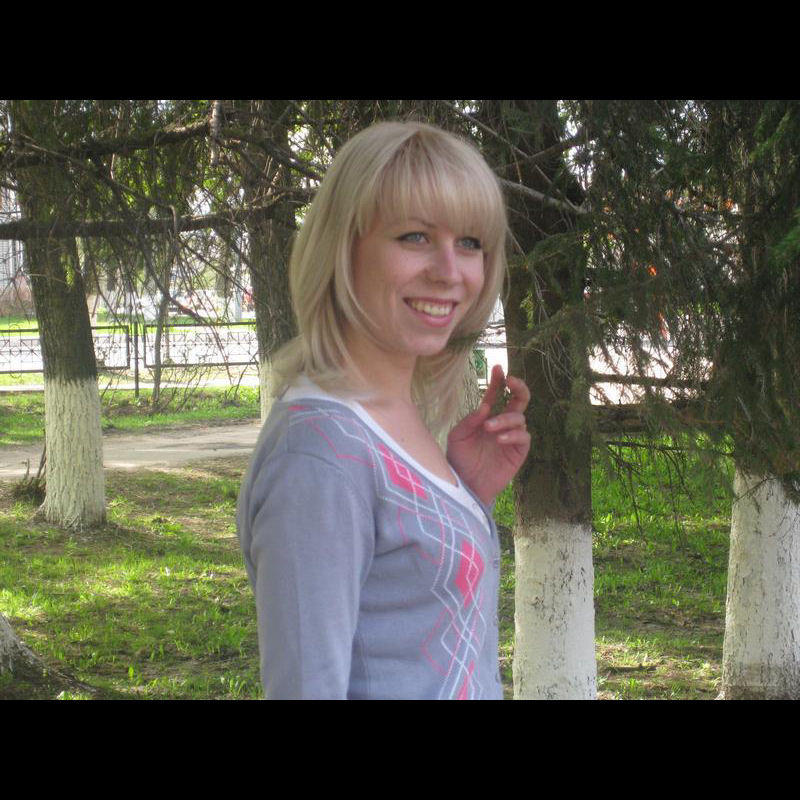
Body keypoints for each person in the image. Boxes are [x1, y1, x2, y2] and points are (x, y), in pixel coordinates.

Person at [237, 120, 531, 699]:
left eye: (470, 243)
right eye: (415, 237)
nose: (449, 271)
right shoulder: (318, 458)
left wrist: (467, 493)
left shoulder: (385, 413)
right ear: (343, 249)